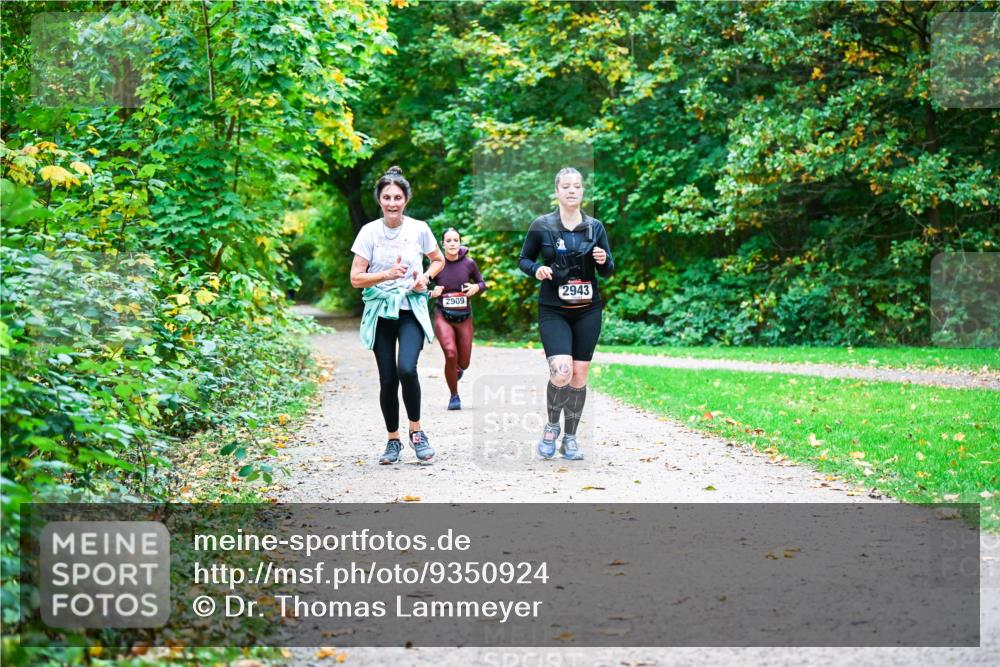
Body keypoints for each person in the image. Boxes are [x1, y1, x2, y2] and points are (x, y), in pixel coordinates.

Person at [350, 166, 445, 465]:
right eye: (387, 197)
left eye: (398, 197)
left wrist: (426, 278)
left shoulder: (419, 228)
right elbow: (355, 278)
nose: (392, 203)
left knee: (407, 369)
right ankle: (393, 440)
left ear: (406, 199)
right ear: (379, 200)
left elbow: (439, 260)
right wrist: (386, 274)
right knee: (388, 378)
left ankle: (417, 433)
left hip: (411, 308)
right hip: (380, 311)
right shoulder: (369, 232)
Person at [518, 167, 614, 461]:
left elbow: (608, 271)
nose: (572, 191)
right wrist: (538, 269)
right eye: (566, 187)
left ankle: (570, 438)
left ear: (583, 191)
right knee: (561, 372)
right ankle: (551, 427)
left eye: (577, 186)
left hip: (588, 310)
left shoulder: (595, 227)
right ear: (557, 191)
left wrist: (604, 258)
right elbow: (524, 259)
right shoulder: (542, 225)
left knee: (579, 375)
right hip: (553, 310)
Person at [429, 228, 487, 410]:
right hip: (442, 314)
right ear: (443, 244)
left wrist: (476, 288)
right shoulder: (437, 264)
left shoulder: (469, 263)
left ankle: (457, 369)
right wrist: (431, 292)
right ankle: (454, 396)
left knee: (464, 362)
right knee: (450, 353)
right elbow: (421, 286)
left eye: (456, 240)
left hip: (464, 316)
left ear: (460, 242)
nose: (453, 243)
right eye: (449, 240)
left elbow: (482, 282)